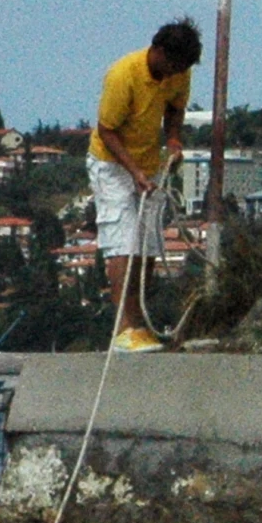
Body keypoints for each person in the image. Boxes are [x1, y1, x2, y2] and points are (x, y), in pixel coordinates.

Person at [88, 19, 202, 351]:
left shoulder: (179, 72)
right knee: (123, 241)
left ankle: (140, 324)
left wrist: (175, 140)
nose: (176, 73)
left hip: (149, 164)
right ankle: (124, 329)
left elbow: (175, 109)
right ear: (160, 51)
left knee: (148, 245)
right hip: (111, 163)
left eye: (182, 68)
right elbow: (107, 130)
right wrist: (133, 170)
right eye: (174, 65)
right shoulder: (123, 75)